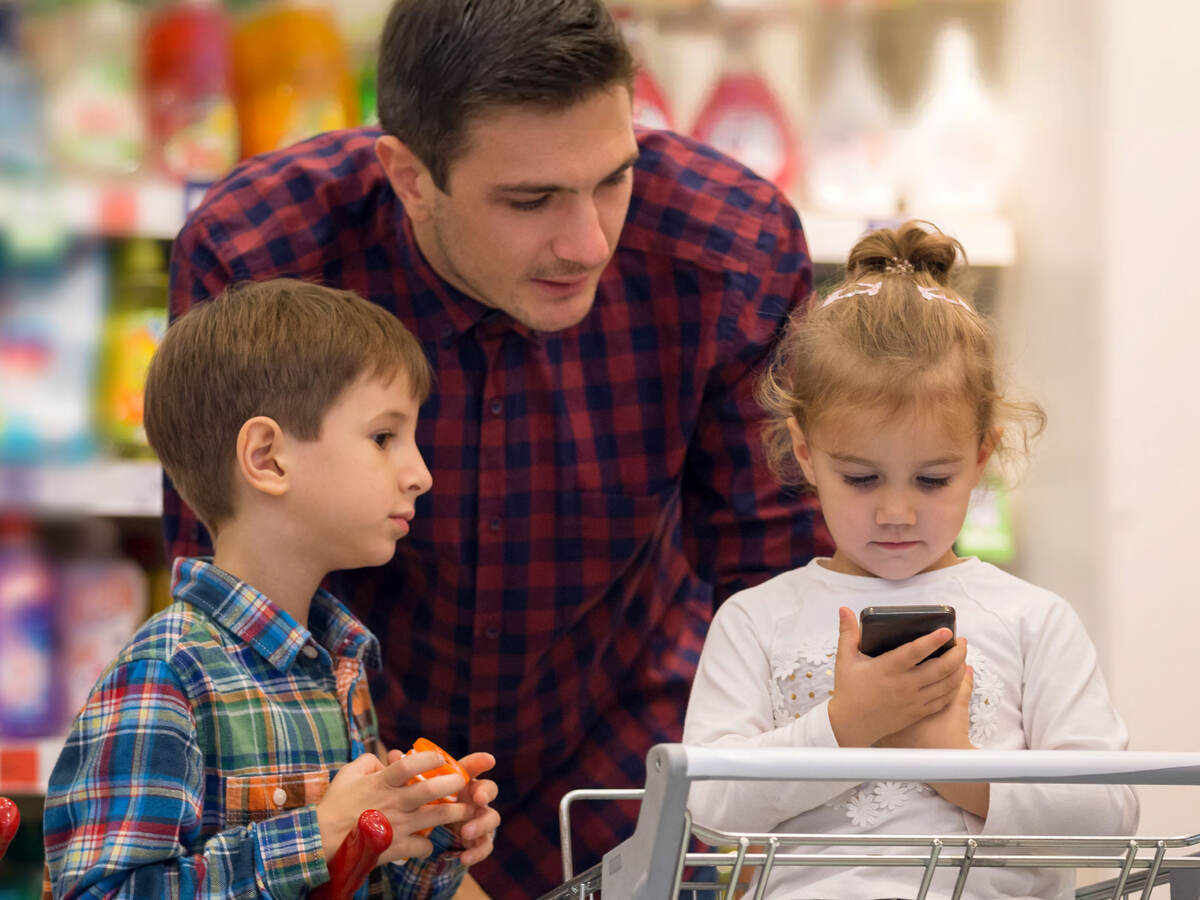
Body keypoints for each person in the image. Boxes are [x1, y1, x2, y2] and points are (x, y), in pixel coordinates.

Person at [165, 1, 830, 896]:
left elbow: (776, 586)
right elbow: (233, 621)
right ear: (408, 176)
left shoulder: (728, 245)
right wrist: (410, 829)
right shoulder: (265, 255)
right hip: (345, 792)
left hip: (625, 776)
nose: (588, 240)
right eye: (530, 200)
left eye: (613, 178)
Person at [682, 222, 1138, 899]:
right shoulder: (755, 621)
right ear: (805, 453)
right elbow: (710, 809)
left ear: (982, 454)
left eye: (932, 479)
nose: (897, 512)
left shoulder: (1033, 620)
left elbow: (1110, 815)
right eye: (862, 478)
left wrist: (954, 765)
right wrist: (847, 726)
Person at [43, 279, 500, 899]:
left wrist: (425, 833)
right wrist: (323, 832)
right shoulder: (169, 672)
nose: (420, 474)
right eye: (384, 438)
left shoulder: (339, 663)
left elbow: (352, 884)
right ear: (268, 458)